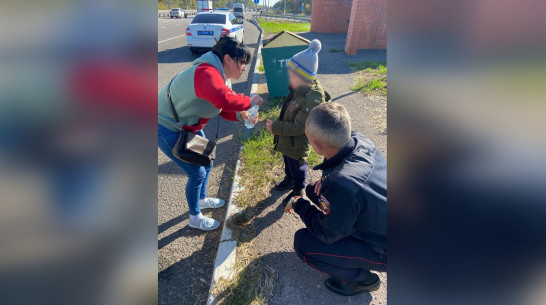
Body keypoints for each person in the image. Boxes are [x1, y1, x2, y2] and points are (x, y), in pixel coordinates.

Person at [158, 37, 263, 231]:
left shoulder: (222, 77)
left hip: (190, 127)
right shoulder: (205, 72)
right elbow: (223, 99)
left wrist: (243, 115)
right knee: (196, 173)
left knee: (208, 161)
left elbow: (222, 110)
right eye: (241, 62)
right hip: (166, 127)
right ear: (227, 59)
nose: (243, 68)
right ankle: (194, 217)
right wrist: (249, 101)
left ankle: (202, 198)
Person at [285, 103, 387, 296]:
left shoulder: (342, 185)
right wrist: (326, 180)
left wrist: (299, 204)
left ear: (316, 145)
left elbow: (326, 233)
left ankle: (360, 280)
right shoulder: (359, 140)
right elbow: (343, 176)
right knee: (313, 190)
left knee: (303, 243)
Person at [266, 39, 331, 204]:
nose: (289, 78)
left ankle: (299, 188)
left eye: (292, 75)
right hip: (288, 141)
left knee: (298, 166)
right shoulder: (299, 89)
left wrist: (275, 126)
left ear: (303, 77)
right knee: (287, 161)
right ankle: (289, 180)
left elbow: (298, 127)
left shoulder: (311, 99)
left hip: (297, 143)